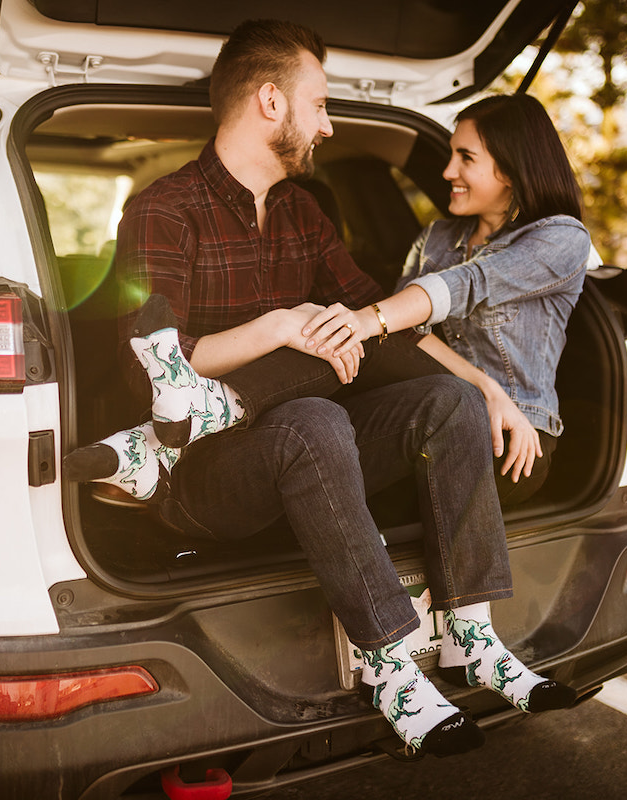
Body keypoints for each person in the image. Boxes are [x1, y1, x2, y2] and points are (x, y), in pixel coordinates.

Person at [63, 19, 575, 756]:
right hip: (205, 475)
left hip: (311, 456)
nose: (329, 125)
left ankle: (471, 634)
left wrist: (488, 390)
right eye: (321, 104)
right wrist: (280, 326)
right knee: (313, 411)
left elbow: (382, 323)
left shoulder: (304, 212)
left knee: (442, 401)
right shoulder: (163, 210)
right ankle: (390, 663)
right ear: (271, 102)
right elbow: (148, 360)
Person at [297, 92, 593, 507]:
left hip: (512, 438)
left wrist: (367, 319)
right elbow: (408, 334)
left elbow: (467, 283)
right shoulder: (436, 238)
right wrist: (483, 386)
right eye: (452, 154)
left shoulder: (561, 238)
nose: (447, 169)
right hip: (435, 412)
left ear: (509, 169)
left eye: (465, 157)